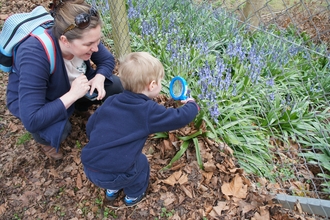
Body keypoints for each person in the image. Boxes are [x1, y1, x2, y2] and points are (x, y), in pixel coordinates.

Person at [6, 0, 123, 160]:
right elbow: (31, 119)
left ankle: (79, 106)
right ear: (65, 40)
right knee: (61, 130)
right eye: (89, 44)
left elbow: (107, 59)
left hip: (71, 85)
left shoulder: (83, 34)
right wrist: (73, 95)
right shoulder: (34, 55)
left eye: (98, 41)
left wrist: (99, 78)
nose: (96, 48)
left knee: (115, 85)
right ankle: (45, 141)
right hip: (41, 100)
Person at [81, 52, 200, 206]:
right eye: (160, 81)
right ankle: (133, 195)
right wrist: (192, 106)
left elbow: (91, 127)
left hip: (90, 166)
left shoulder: (111, 100)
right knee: (141, 163)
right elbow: (178, 118)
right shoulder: (147, 110)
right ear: (151, 85)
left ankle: (111, 190)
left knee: (115, 164)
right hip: (115, 172)